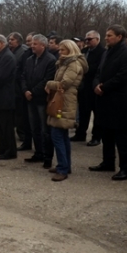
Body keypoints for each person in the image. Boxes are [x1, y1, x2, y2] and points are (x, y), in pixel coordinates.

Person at [89, 25, 127, 180]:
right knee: (106, 134)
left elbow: (123, 76)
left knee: (122, 137)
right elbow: (98, 72)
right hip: (103, 100)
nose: (106, 38)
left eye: (109, 35)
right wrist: (96, 84)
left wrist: (103, 87)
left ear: (119, 37)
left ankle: (126, 169)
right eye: (106, 35)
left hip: (118, 101)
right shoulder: (106, 52)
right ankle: (108, 162)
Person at [45, 40, 88, 181]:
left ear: (70, 50)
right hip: (62, 99)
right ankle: (64, 165)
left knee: (57, 135)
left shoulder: (73, 64)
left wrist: (49, 84)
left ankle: (63, 168)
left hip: (65, 101)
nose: (60, 52)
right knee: (62, 135)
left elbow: (64, 83)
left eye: (62, 50)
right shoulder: (64, 63)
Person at [21, 34, 56, 167]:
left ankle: (47, 157)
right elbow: (23, 76)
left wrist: (33, 92)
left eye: (35, 44)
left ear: (43, 45)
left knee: (45, 130)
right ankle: (38, 153)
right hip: (30, 99)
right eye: (32, 44)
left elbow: (47, 79)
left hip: (41, 99)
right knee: (34, 128)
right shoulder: (30, 59)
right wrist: (25, 90)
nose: (32, 46)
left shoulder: (50, 60)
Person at [72, 30, 105, 146]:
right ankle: (80, 134)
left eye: (90, 39)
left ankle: (96, 137)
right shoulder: (84, 51)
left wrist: (84, 69)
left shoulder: (102, 52)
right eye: (86, 39)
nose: (87, 41)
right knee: (83, 112)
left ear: (97, 39)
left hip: (95, 86)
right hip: (83, 87)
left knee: (97, 114)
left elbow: (99, 68)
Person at [8, 32, 29, 144]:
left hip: (18, 86)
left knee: (20, 112)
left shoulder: (22, 52)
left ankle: (22, 133)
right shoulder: (11, 51)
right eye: (9, 39)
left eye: (12, 39)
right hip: (12, 86)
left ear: (18, 41)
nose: (10, 41)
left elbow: (22, 70)